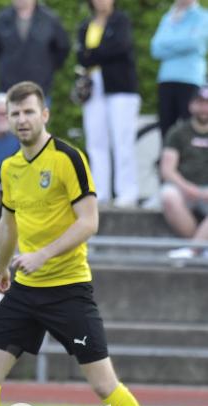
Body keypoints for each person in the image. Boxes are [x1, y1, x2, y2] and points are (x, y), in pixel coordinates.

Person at [0, 81, 154, 406]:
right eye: (14, 113)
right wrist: (0, 269)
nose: (21, 119)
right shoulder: (10, 167)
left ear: (44, 115)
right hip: (25, 291)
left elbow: (88, 222)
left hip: (68, 289)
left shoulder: (68, 157)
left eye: (28, 112)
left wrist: (41, 255)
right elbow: (8, 224)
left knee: (103, 385)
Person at [77, 0, 141, 208]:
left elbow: (120, 47)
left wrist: (92, 53)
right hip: (93, 86)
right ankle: (100, 192)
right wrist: (96, 54)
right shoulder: (86, 24)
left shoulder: (121, 21)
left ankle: (127, 191)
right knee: (96, 141)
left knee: (122, 140)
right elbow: (81, 55)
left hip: (120, 87)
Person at [160, 86, 208, 259]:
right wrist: (189, 188)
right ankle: (201, 247)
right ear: (191, 105)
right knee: (168, 196)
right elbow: (167, 169)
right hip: (184, 188)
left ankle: (193, 250)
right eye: (201, 103)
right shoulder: (178, 132)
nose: (204, 108)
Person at [0, 0, 70, 99]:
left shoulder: (50, 19)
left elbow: (62, 48)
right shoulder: (1, 19)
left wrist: (46, 68)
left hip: (40, 89)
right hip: (8, 88)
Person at [151, 0, 208, 140]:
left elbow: (196, 43)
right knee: (166, 126)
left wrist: (169, 43)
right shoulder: (168, 17)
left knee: (191, 125)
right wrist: (183, 41)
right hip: (166, 78)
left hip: (190, 78)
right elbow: (155, 48)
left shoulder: (203, 16)